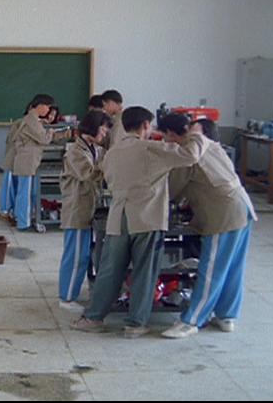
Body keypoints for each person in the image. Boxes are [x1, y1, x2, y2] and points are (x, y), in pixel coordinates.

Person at [70, 106, 206, 338]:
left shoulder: (111, 153)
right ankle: (135, 323)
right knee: (144, 270)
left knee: (109, 270)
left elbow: (104, 178)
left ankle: (93, 318)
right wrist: (195, 134)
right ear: (145, 126)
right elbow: (190, 156)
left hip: (117, 217)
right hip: (146, 217)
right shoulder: (152, 149)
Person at [157, 114, 257, 339]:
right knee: (231, 267)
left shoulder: (187, 151)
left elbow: (171, 190)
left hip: (222, 215)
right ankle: (226, 315)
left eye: (164, 135)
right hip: (241, 207)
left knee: (211, 270)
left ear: (171, 133)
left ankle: (191, 320)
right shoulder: (210, 143)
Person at [58, 109, 112, 313]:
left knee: (85, 255)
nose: (105, 133)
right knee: (75, 256)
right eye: (103, 129)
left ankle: (74, 292)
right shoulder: (75, 151)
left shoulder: (94, 149)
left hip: (90, 206)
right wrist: (112, 166)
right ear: (92, 127)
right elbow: (89, 173)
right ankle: (66, 298)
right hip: (77, 209)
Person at [12, 94, 71, 232]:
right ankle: (23, 223)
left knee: (30, 192)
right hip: (26, 161)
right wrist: (50, 131)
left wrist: (59, 134)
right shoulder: (31, 120)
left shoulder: (35, 120)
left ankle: (25, 218)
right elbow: (43, 139)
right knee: (24, 193)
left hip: (30, 161)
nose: (48, 110)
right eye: (47, 107)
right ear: (40, 105)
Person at [0, 115, 23, 224]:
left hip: (23, 162)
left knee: (19, 187)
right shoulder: (21, 123)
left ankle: (15, 212)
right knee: (9, 186)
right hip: (13, 159)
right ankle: (5, 211)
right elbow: (12, 140)